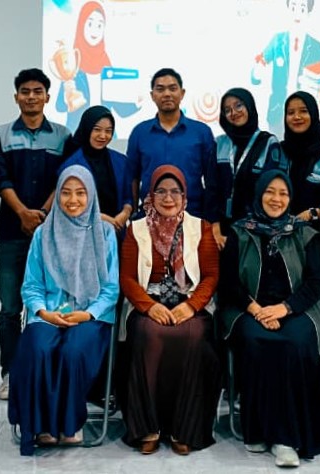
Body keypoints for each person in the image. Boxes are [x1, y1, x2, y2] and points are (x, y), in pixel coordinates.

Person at [218, 170, 320, 468]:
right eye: (270, 191)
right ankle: (258, 429)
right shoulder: (240, 231)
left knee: (295, 343)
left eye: (283, 193)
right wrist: (257, 310)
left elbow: (316, 282)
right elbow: (228, 282)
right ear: (259, 194)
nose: (276, 199)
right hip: (248, 308)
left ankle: (286, 439)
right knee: (258, 341)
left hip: (297, 309)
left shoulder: (305, 233)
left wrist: (285, 308)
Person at [8, 165, 119, 456]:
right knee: (38, 348)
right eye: (66, 193)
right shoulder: (43, 234)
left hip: (91, 315)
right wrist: (43, 313)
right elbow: (31, 286)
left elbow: (110, 289)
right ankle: (41, 424)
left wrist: (88, 314)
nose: (73, 200)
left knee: (73, 350)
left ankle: (69, 424)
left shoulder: (104, 233)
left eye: (81, 193)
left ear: (91, 195)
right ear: (57, 195)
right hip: (48, 314)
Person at [119, 165, 221, 456]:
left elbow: (211, 276)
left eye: (175, 191)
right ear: (150, 195)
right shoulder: (136, 229)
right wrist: (149, 306)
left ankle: (185, 428)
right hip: (148, 301)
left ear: (184, 196)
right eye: (161, 191)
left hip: (189, 300)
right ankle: (147, 427)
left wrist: (191, 305)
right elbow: (127, 277)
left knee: (193, 335)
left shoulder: (200, 227)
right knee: (149, 334)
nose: (168, 198)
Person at [0, 68, 71, 400]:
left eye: (38, 91)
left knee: (49, 304)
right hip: (12, 232)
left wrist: (43, 214)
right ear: (16, 97)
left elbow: (65, 179)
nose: (31, 97)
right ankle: (10, 373)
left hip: (52, 234)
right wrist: (22, 212)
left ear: (48, 97)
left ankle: (43, 368)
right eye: (25, 91)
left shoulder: (63, 136)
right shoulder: (0, 134)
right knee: (10, 308)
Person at [281, 91, 320, 393]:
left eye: (303, 111)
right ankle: (286, 377)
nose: (297, 117)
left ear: (314, 115)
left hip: (315, 242)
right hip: (279, 242)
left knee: (319, 307)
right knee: (282, 305)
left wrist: (316, 213)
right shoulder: (278, 152)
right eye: (291, 112)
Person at [126, 68, 220, 230]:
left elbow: (212, 179)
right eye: (160, 89)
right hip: (149, 219)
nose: (167, 94)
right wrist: (133, 212)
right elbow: (133, 177)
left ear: (182, 93)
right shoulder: (140, 133)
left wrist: (212, 218)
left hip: (193, 217)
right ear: (152, 95)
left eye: (172, 88)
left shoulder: (201, 132)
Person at [215, 87, 287, 249]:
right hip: (223, 232)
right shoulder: (219, 143)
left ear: (249, 106)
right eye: (227, 110)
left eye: (238, 105)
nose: (233, 112)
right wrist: (215, 226)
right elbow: (212, 188)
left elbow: (272, 190)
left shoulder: (268, 143)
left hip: (257, 230)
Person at [56, 0, 141, 132]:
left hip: (106, 136)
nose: (95, 30)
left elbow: (119, 109)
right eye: (90, 24)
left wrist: (137, 103)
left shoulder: (107, 66)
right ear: (81, 26)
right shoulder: (72, 64)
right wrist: (68, 93)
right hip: (77, 135)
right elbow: (60, 106)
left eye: (100, 25)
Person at [254, 0, 320, 135]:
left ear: (309, 13)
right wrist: (257, 72)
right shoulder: (278, 40)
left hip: (305, 116)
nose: (297, 14)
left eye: (302, 9)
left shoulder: (316, 47)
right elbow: (256, 73)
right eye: (293, 7)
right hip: (278, 113)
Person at [59, 105, 132, 232]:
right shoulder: (71, 165)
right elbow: (67, 203)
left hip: (116, 231)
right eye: (97, 130)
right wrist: (100, 218)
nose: (103, 136)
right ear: (87, 129)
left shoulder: (121, 161)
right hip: (82, 232)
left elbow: (128, 197)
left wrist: (125, 213)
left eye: (108, 131)